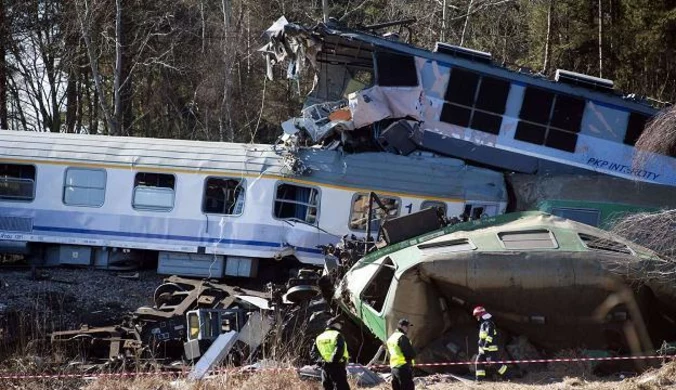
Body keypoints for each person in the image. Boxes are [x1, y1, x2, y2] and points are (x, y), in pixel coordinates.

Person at [312, 317, 351, 390]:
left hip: (325, 368)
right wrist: (333, 361)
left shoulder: (319, 337)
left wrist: (321, 361)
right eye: (340, 324)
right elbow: (339, 350)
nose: (340, 326)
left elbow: (313, 353)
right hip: (337, 366)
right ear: (336, 325)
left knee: (327, 387)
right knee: (342, 387)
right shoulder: (337, 335)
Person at [473, 306, 508, 382]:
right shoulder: (483, 324)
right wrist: (481, 344)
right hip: (483, 349)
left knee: (494, 363)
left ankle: (508, 375)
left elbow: (490, 335)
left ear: (481, 314)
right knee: (479, 361)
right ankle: (479, 380)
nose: (476, 317)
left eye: (477, 315)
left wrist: (486, 345)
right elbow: (483, 336)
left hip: (490, 348)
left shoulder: (489, 323)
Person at [386, 318, 416, 390]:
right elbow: (409, 353)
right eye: (407, 326)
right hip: (403, 367)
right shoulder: (402, 337)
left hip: (393, 368)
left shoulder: (391, 338)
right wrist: (410, 366)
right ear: (402, 327)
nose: (408, 329)